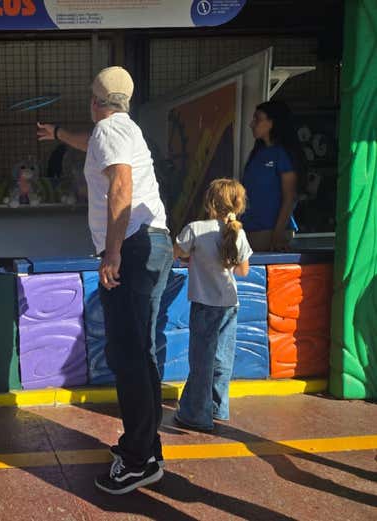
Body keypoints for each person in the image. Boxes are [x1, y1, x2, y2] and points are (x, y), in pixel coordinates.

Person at [38, 66, 172, 495]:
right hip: (151, 244)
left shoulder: (109, 130)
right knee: (140, 352)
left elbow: (121, 186)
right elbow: (93, 148)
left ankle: (137, 460)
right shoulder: (122, 128)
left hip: (131, 247)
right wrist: (59, 133)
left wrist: (112, 251)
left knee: (126, 354)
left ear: (95, 102)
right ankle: (146, 449)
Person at [173, 179, 253, 432]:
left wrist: (196, 259)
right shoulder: (238, 232)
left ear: (209, 202)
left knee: (202, 360)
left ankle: (195, 414)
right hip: (230, 304)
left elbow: (176, 252)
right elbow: (242, 270)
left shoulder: (195, 229)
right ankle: (219, 407)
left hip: (205, 305)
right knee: (222, 358)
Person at [241, 100, 306, 251]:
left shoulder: (283, 154)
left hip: (270, 231)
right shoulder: (257, 153)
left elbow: (289, 197)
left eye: (257, 119)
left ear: (272, 123)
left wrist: (277, 234)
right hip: (249, 228)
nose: (251, 124)